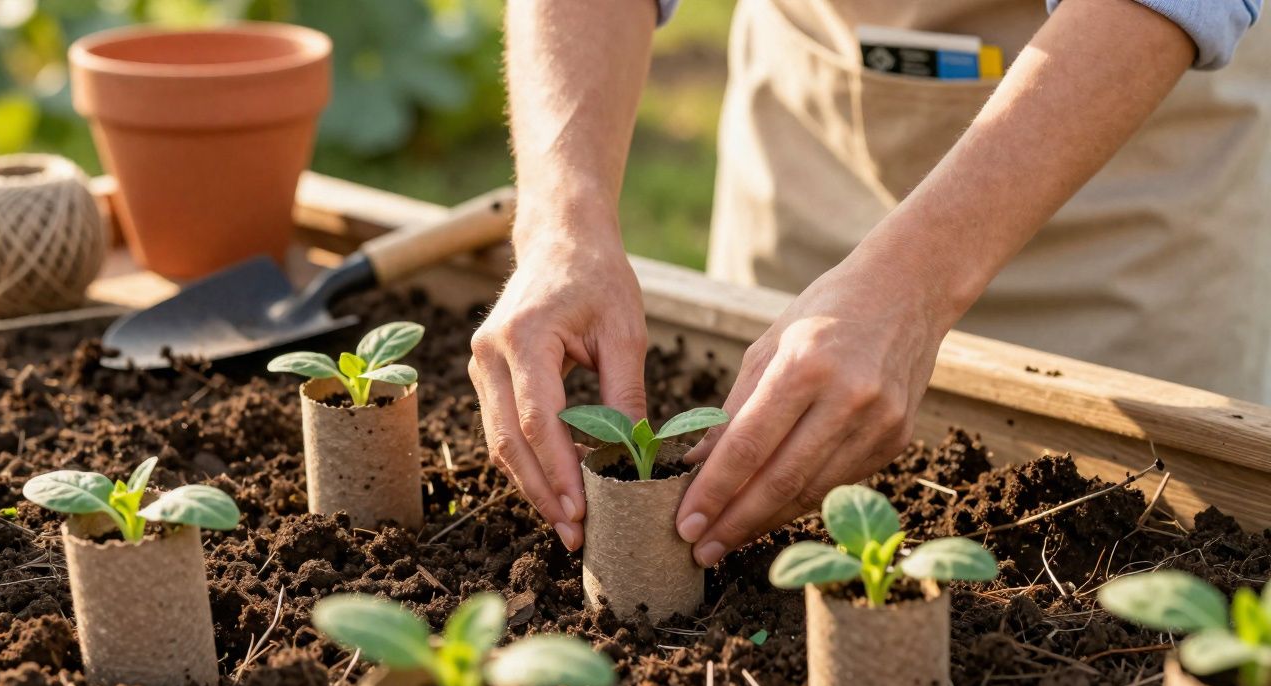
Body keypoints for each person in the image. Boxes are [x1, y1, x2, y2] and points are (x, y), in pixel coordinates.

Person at [468, 0, 1269, 567]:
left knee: (1146, 534)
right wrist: (560, 224)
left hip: (1119, 179)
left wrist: (916, 283)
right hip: (814, 123)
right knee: (759, 431)